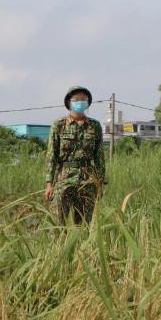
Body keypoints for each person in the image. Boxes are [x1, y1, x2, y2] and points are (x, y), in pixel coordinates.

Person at [44, 85, 106, 224]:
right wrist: (49, 184)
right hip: (64, 179)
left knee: (84, 224)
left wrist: (100, 183)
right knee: (58, 222)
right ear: (69, 102)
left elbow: (99, 156)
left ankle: (82, 240)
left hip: (87, 180)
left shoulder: (95, 126)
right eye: (76, 100)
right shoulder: (58, 125)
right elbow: (51, 155)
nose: (80, 102)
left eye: (83, 99)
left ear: (88, 103)